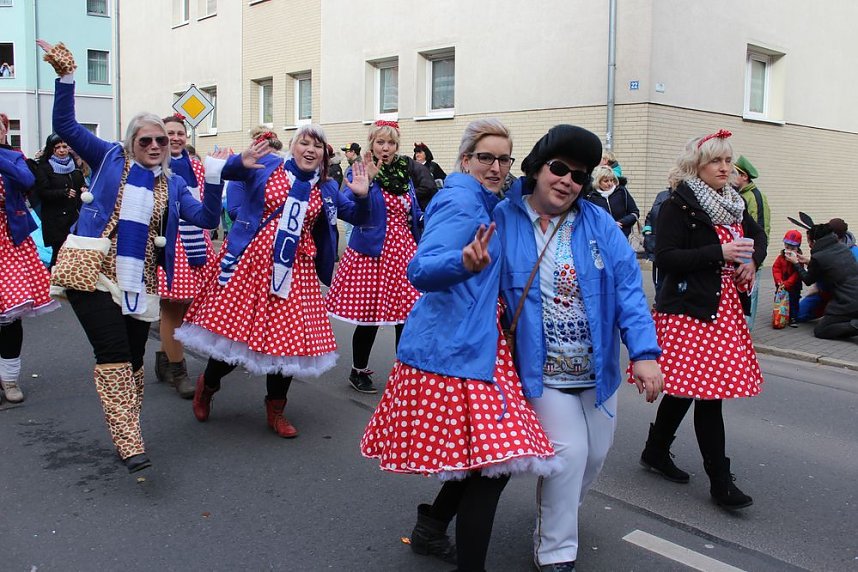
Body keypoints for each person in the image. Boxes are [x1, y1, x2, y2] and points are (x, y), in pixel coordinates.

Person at [40, 39, 246, 473]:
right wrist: (66, 77)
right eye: (147, 139)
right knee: (113, 353)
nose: (156, 146)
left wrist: (212, 177)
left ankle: (125, 423)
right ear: (132, 141)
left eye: (162, 141)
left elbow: (208, 218)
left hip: (141, 281)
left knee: (133, 359)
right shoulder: (108, 157)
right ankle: (130, 439)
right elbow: (66, 122)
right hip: (93, 272)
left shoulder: (172, 185)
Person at [361, 118, 556, 572]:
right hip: (452, 352)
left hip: (479, 346)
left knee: (481, 461)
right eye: (485, 157)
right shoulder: (458, 199)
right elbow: (421, 269)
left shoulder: (490, 200)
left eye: (503, 158)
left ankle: (432, 526)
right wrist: (462, 262)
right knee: (494, 466)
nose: (495, 166)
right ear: (466, 159)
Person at [493, 124, 663, 572]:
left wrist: (644, 354)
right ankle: (554, 549)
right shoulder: (503, 218)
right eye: (559, 168)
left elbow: (628, 288)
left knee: (595, 456)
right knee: (568, 455)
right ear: (536, 169)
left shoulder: (598, 222)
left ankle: (557, 515)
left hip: (596, 371)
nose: (568, 180)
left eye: (578, 174)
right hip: (540, 370)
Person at [176, 125, 371, 438]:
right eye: (304, 143)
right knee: (234, 339)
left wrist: (362, 197)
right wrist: (239, 161)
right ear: (293, 147)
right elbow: (227, 175)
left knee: (287, 345)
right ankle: (208, 386)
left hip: (297, 273)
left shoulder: (326, 186)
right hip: (251, 266)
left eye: (316, 146)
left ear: (324, 154)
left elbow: (359, 217)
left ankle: (276, 409)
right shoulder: (268, 166)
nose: (310, 150)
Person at [638, 129, 766, 511]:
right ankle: (720, 481)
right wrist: (721, 252)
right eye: (717, 161)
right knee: (709, 396)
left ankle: (655, 450)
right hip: (688, 309)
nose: (726, 168)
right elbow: (665, 256)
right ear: (697, 165)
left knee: (689, 390)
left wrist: (751, 262)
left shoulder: (734, 202)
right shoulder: (678, 204)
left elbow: (758, 239)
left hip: (723, 308)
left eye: (728, 161)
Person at [325, 120, 424, 394]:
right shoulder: (361, 170)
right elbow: (347, 210)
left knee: (407, 316)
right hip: (373, 252)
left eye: (391, 143)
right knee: (370, 316)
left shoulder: (404, 173)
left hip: (403, 251)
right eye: (381, 142)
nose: (386, 147)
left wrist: (420, 217)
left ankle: (403, 373)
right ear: (371, 144)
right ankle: (358, 371)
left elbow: (409, 211)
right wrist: (364, 192)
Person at [151, 114, 218, 399]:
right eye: (170, 133)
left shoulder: (196, 167)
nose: (176, 137)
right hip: (168, 244)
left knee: (187, 309)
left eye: (180, 133)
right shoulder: (154, 169)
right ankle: (179, 371)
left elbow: (203, 205)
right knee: (172, 309)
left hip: (196, 244)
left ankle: (164, 357)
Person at [0, 113, 60, 405]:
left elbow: (27, 181)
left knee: (10, 314)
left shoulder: (13, 158)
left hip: (10, 241)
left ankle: (9, 378)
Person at [785, 222, 858, 339]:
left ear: (815, 241)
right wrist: (809, 262)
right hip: (853, 297)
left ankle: (855, 326)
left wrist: (796, 263)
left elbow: (808, 280)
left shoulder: (819, 256)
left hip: (846, 303)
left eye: (809, 241)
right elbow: (832, 268)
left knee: (821, 330)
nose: (808, 245)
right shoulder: (843, 248)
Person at [30, 133, 87, 267]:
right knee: (58, 253)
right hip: (55, 219)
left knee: (73, 253)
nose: (62, 150)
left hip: (73, 218)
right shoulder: (45, 168)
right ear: (52, 150)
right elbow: (42, 192)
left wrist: (83, 189)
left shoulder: (74, 167)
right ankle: (53, 283)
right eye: (58, 147)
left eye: (64, 147)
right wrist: (63, 192)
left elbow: (80, 184)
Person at [733, 155, 770, 327]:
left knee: (749, 294)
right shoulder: (740, 195)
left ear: (744, 177)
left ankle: (746, 331)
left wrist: (754, 259)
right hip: (740, 258)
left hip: (750, 259)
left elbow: (759, 230)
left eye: (736, 173)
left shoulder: (754, 197)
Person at [585, 165, 640, 237]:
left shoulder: (622, 192)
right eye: (606, 181)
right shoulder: (591, 197)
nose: (610, 183)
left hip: (622, 236)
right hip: (602, 238)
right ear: (598, 182)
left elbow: (634, 212)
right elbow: (590, 219)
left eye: (611, 180)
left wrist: (621, 222)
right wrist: (610, 225)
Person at [642, 186, 671, 295]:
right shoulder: (662, 195)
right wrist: (648, 229)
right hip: (656, 243)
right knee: (658, 278)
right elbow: (651, 214)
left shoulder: (684, 198)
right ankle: (658, 302)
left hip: (673, 244)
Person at [771, 230, 803, 327]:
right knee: (779, 300)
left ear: (797, 248)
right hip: (781, 284)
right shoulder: (781, 257)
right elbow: (776, 268)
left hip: (794, 286)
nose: (789, 250)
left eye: (792, 248)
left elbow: (796, 274)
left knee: (793, 301)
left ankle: (793, 317)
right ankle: (779, 316)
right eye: (787, 247)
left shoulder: (798, 259)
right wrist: (779, 281)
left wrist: (787, 283)